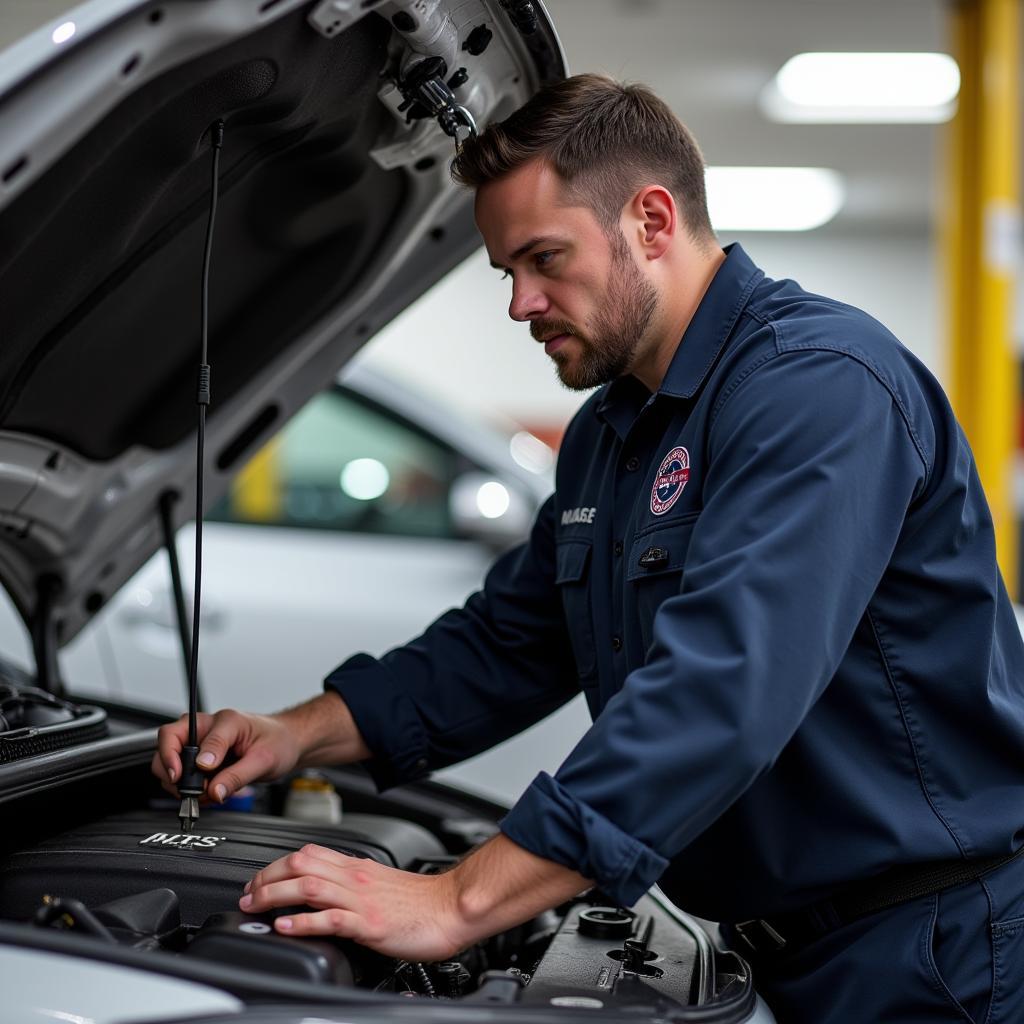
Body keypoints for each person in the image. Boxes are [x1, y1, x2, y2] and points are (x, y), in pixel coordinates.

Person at [154, 74, 1024, 1023]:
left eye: (544, 258)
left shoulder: (818, 389)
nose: (522, 303)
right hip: (791, 948)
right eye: (506, 273)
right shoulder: (616, 433)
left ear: (652, 219)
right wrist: (295, 733)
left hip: (938, 953)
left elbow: (721, 690)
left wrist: (459, 901)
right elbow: (507, 642)